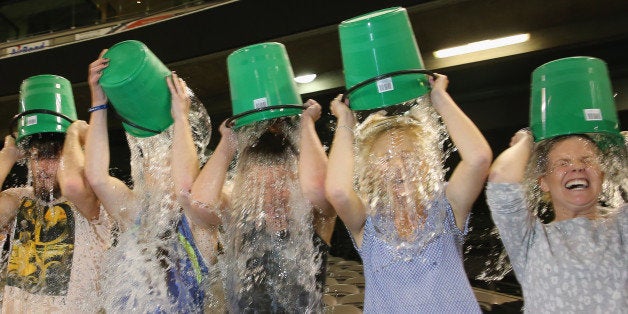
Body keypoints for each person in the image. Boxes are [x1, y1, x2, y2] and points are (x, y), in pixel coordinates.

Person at [325, 73, 491, 312]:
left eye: (408, 156)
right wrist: (345, 123)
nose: (398, 167)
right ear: (371, 170)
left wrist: (440, 99)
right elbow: (338, 191)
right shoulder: (367, 221)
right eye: (386, 159)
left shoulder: (447, 207)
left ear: (426, 162)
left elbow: (479, 159)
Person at [173, 98, 336, 312]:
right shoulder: (239, 214)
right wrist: (228, 142)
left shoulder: (315, 216)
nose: (272, 196)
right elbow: (199, 203)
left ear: (298, 183)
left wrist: (306, 126)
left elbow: (320, 187)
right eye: (261, 186)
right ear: (246, 188)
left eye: (281, 184)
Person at [84, 50, 210, 313]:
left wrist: (181, 119)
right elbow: (96, 177)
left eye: (168, 163)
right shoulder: (135, 216)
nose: (157, 172)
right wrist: (98, 102)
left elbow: (186, 189)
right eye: (150, 165)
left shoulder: (200, 225)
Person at [486, 129, 627, 313]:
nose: (577, 167)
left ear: (601, 175)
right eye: (563, 163)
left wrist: (618, 144)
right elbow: (501, 180)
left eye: (587, 160)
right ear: (543, 182)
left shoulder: (621, 227)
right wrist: (527, 140)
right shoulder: (531, 240)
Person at [0, 118, 112, 312]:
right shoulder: (18, 199)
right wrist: (7, 155)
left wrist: (74, 133)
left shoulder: (94, 203)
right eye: (36, 157)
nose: (42, 167)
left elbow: (73, 184)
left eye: (52, 156)